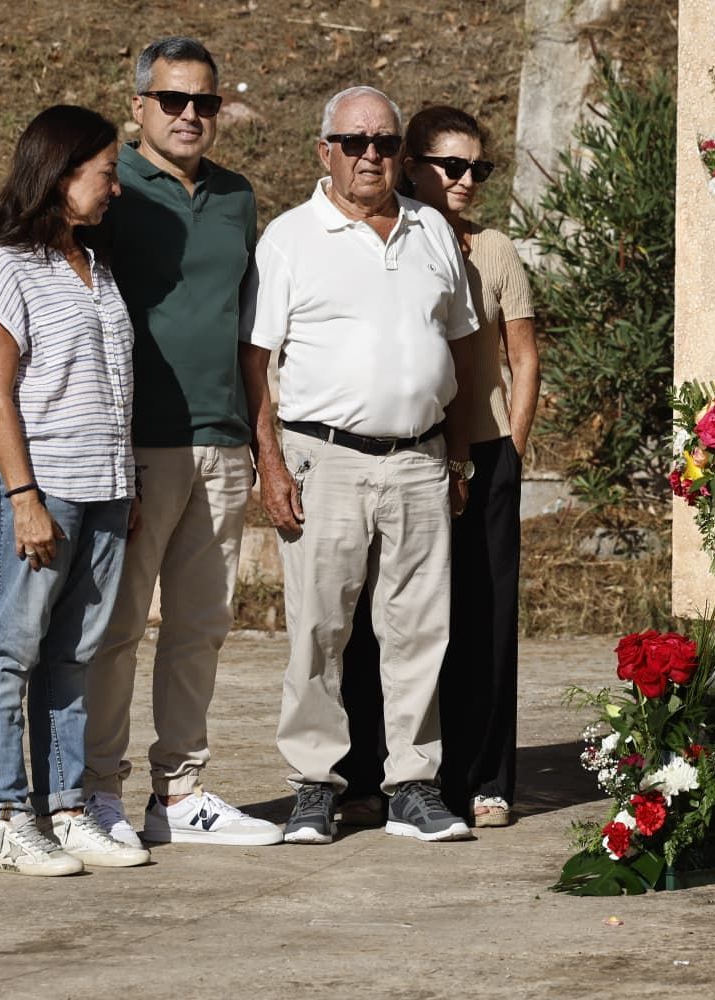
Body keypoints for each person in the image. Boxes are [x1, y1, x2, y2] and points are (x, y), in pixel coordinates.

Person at [241, 85, 478, 845]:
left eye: (384, 142)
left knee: (420, 631)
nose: (370, 155)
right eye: (354, 142)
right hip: (325, 460)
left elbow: (460, 343)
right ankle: (316, 786)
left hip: (420, 458)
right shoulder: (288, 238)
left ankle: (413, 785)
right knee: (318, 631)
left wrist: (459, 453)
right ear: (326, 151)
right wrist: (270, 462)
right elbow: (255, 361)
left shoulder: (431, 229)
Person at [80, 37, 280, 848]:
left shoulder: (236, 197)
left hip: (220, 442)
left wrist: (262, 444)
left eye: (205, 101)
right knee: (117, 629)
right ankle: (97, 793)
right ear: (138, 107)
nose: (190, 114)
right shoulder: (109, 187)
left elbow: (249, 333)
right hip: (136, 446)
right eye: (173, 99)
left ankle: (179, 793)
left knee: (200, 626)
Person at [337, 106, 538, 828]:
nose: (467, 180)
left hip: (483, 454)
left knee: (485, 616)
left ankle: (483, 778)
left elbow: (523, 358)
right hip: (404, 451)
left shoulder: (496, 251)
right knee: (383, 619)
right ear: (412, 165)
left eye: (479, 168)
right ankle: (369, 776)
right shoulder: (384, 243)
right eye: (452, 166)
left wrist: (510, 448)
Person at [0, 104, 149, 875]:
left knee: (73, 656)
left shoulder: (95, 267)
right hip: (40, 489)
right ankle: (3, 821)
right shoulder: (5, 265)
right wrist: (22, 497)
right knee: (7, 653)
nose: (115, 188)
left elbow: (109, 386)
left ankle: (67, 812)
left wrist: (126, 487)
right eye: (106, 173)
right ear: (61, 173)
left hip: (103, 491)